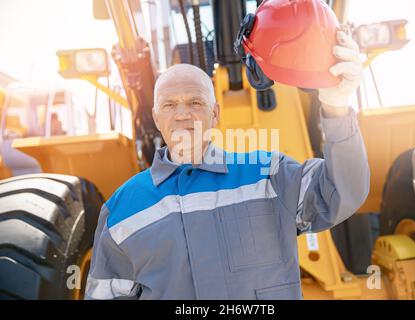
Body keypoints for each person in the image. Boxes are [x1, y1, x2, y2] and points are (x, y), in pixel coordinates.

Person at [85, 29, 370, 300]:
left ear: (215, 113)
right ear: (157, 117)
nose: (183, 114)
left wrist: (336, 106)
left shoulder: (268, 176)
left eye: (195, 102)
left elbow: (339, 192)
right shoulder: (122, 209)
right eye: (170, 105)